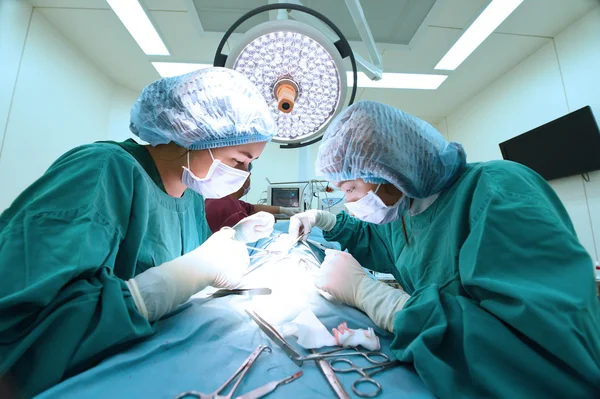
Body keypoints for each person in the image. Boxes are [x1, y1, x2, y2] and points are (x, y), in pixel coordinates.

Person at [289, 101, 600, 398]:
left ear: (388, 172)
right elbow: (374, 237)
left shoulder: (498, 193)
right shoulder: (406, 209)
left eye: (351, 189)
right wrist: (323, 220)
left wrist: (376, 298)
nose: (350, 201)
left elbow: (537, 353)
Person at [0, 67, 277, 397]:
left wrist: (235, 238)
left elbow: (196, 258)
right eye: (239, 160)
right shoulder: (102, 170)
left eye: (250, 165)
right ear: (193, 131)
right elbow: (28, 329)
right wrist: (167, 287)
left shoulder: (190, 199)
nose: (243, 175)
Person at [205, 173, 300, 232]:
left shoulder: (216, 199)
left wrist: (283, 210)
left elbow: (253, 208)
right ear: (244, 182)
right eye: (249, 178)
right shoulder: (233, 209)